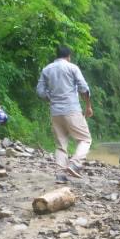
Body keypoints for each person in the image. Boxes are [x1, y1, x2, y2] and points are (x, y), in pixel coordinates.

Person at [36, 45, 93, 180]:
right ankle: (74, 164)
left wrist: (50, 98)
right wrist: (88, 106)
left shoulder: (47, 69)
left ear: (57, 56)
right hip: (72, 109)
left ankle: (61, 176)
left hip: (55, 112)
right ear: (68, 56)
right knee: (85, 139)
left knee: (61, 144)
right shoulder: (72, 67)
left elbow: (39, 91)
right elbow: (83, 88)